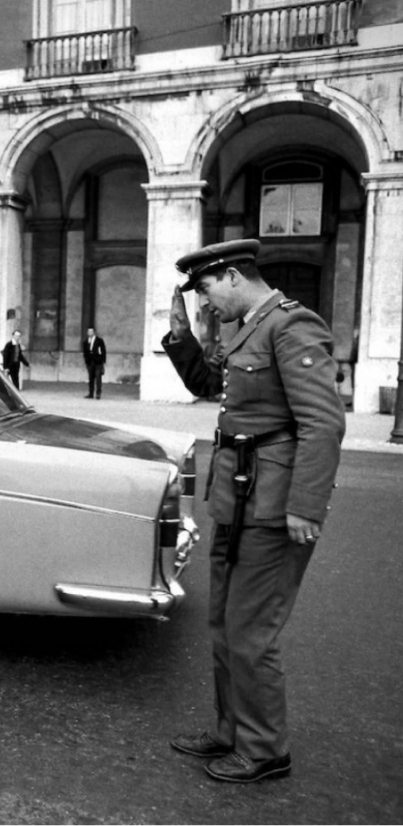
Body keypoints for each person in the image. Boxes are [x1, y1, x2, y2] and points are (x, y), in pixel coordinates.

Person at [162, 239, 345, 784]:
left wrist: (306, 507)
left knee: (250, 632)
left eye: (208, 291)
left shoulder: (292, 327)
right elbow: (206, 385)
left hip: (273, 505)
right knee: (222, 623)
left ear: (235, 277)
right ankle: (231, 730)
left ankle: (266, 750)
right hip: (237, 498)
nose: (206, 305)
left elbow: (323, 423)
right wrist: (181, 337)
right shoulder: (244, 328)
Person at [83, 326, 107, 399]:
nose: (89, 333)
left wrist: (103, 361)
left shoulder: (99, 341)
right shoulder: (86, 341)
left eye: (91, 332)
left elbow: (103, 351)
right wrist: (86, 361)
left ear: (94, 332)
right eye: (88, 332)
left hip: (98, 362)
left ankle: (98, 393)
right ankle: (91, 393)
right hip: (90, 362)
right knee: (91, 378)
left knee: (98, 378)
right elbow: (85, 352)